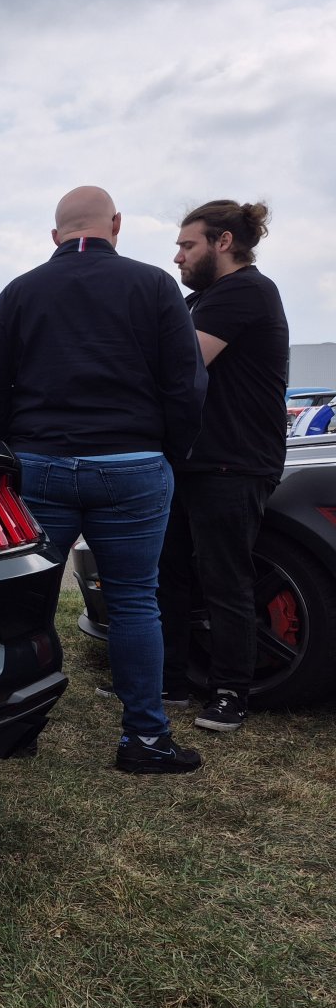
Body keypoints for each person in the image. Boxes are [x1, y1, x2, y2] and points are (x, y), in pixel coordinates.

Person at [0, 186, 208, 774]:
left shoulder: (20, 291)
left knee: (30, 600)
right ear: (117, 225)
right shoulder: (154, 286)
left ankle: (16, 726)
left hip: (41, 463)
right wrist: (166, 452)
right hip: (132, 463)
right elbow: (187, 384)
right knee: (133, 601)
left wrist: (8, 457)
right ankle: (145, 740)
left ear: (55, 236)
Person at [158, 201, 289, 733]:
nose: (178, 256)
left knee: (225, 581)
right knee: (168, 575)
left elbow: (182, 365)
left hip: (233, 464)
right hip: (192, 462)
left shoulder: (246, 292)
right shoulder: (203, 299)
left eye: (188, 245)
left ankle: (232, 691)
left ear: (224, 242)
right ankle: (170, 680)